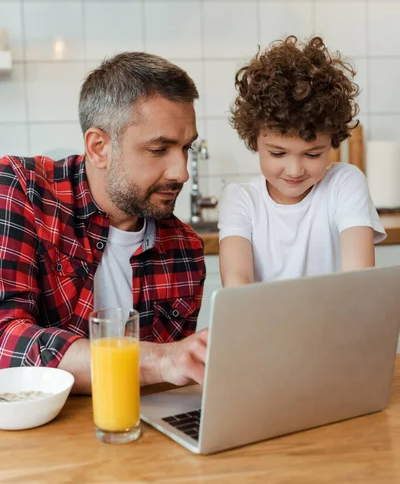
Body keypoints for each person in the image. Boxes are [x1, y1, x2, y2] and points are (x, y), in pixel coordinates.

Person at [0, 52, 208, 392]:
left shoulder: (186, 250)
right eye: (159, 150)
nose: (181, 171)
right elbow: (4, 339)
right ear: (99, 148)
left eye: (186, 148)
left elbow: (166, 392)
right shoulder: (21, 191)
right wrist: (157, 360)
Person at [218, 36, 386, 287]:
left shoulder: (344, 183)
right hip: (265, 327)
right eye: (278, 153)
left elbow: (357, 282)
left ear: (332, 142)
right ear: (254, 140)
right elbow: (237, 282)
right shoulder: (240, 200)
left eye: (312, 154)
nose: (295, 170)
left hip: (338, 325)